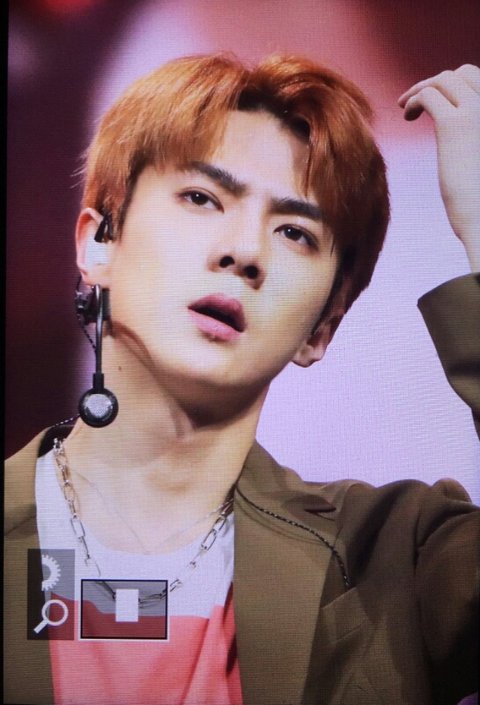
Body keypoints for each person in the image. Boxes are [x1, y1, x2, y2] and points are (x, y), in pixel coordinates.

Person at [4, 54, 479, 705]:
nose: (245, 251)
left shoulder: (396, 556)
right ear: (99, 243)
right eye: (202, 198)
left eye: (294, 232)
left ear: (323, 325)